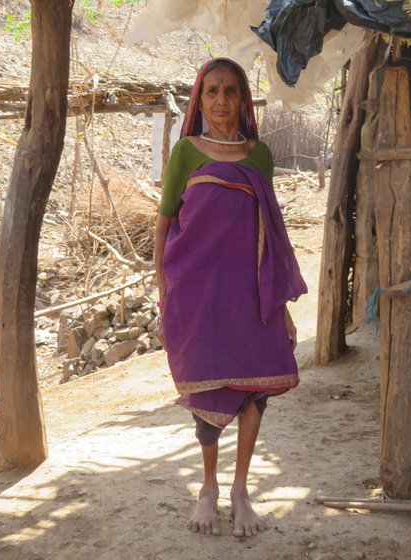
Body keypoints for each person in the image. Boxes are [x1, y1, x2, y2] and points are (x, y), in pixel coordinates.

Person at [154, 58, 307, 538]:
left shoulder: (259, 156)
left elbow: (271, 232)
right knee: (207, 385)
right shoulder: (185, 154)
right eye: (212, 91)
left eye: (231, 91)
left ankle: (240, 489)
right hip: (198, 294)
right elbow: (164, 223)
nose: (221, 101)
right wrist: (164, 288)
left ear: (244, 100)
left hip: (251, 293)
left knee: (254, 388)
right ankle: (208, 488)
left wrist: (279, 304)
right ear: (201, 100)